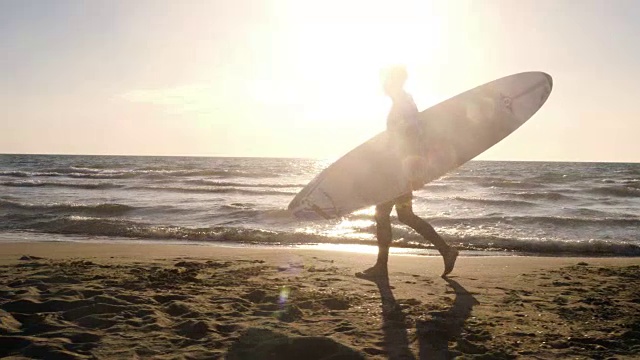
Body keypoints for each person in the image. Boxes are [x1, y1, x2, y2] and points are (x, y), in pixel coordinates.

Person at [356, 65, 458, 280]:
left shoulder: (403, 104)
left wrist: (413, 172)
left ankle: (381, 269)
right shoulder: (403, 102)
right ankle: (445, 250)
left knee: (382, 214)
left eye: (386, 80)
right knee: (405, 215)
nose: (383, 85)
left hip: (398, 171)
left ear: (394, 81)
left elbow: (414, 136)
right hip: (398, 169)